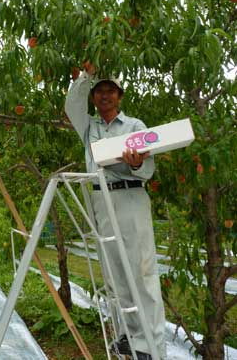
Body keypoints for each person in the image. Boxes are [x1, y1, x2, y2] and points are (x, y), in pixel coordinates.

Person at [65, 62, 166, 360]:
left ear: (120, 96)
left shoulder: (135, 126)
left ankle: (151, 346)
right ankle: (128, 337)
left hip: (129, 198)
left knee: (141, 271)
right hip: (101, 201)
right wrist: (87, 76)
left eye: (111, 91)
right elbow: (72, 105)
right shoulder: (90, 128)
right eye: (100, 91)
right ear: (94, 97)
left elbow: (148, 165)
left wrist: (135, 163)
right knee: (114, 274)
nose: (105, 96)